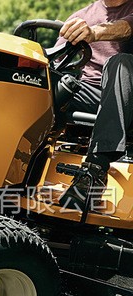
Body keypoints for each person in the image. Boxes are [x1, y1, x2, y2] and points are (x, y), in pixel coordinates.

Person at [57, 0, 133, 210]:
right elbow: (56, 60)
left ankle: (94, 171)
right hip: (89, 92)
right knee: (44, 82)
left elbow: (127, 27)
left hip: (126, 92)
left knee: (120, 63)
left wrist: (94, 32)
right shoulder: (80, 16)